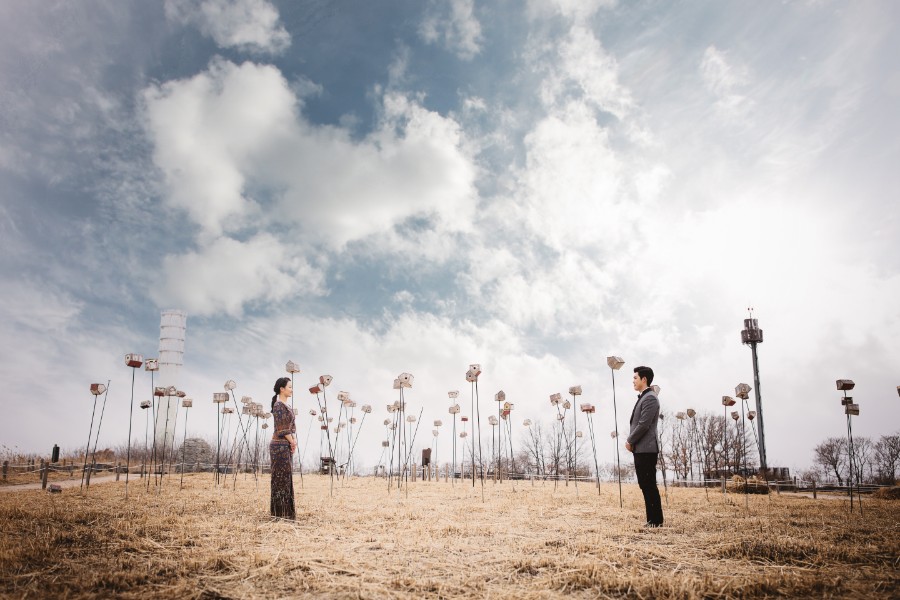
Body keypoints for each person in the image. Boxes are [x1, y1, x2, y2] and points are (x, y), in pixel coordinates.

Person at [625, 365, 663, 527]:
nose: (633, 381)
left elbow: (643, 424)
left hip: (646, 449)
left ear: (644, 379)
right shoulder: (644, 397)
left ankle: (655, 521)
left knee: (648, 484)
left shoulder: (650, 398)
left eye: (635, 377)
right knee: (644, 484)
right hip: (641, 449)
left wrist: (630, 440)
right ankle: (652, 519)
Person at [270, 377, 297, 519]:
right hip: (279, 445)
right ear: (282, 388)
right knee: (280, 479)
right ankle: (279, 513)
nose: (291, 389)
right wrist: (292, 441)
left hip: (285, 444)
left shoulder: (286, 405)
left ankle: (286, 513)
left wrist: (294, 440)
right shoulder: (278, 405)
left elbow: (290, 427)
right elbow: (282, 428)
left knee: (286, 478)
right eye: (290, 387)